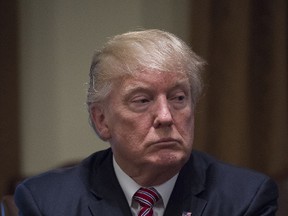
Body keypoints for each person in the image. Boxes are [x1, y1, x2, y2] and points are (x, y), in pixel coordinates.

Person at [14, 29, 278, 216]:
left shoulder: (245, 199)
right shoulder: (45, 202)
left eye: (178, 98)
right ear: (102, 120)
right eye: (142, 100)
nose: (165, 116)